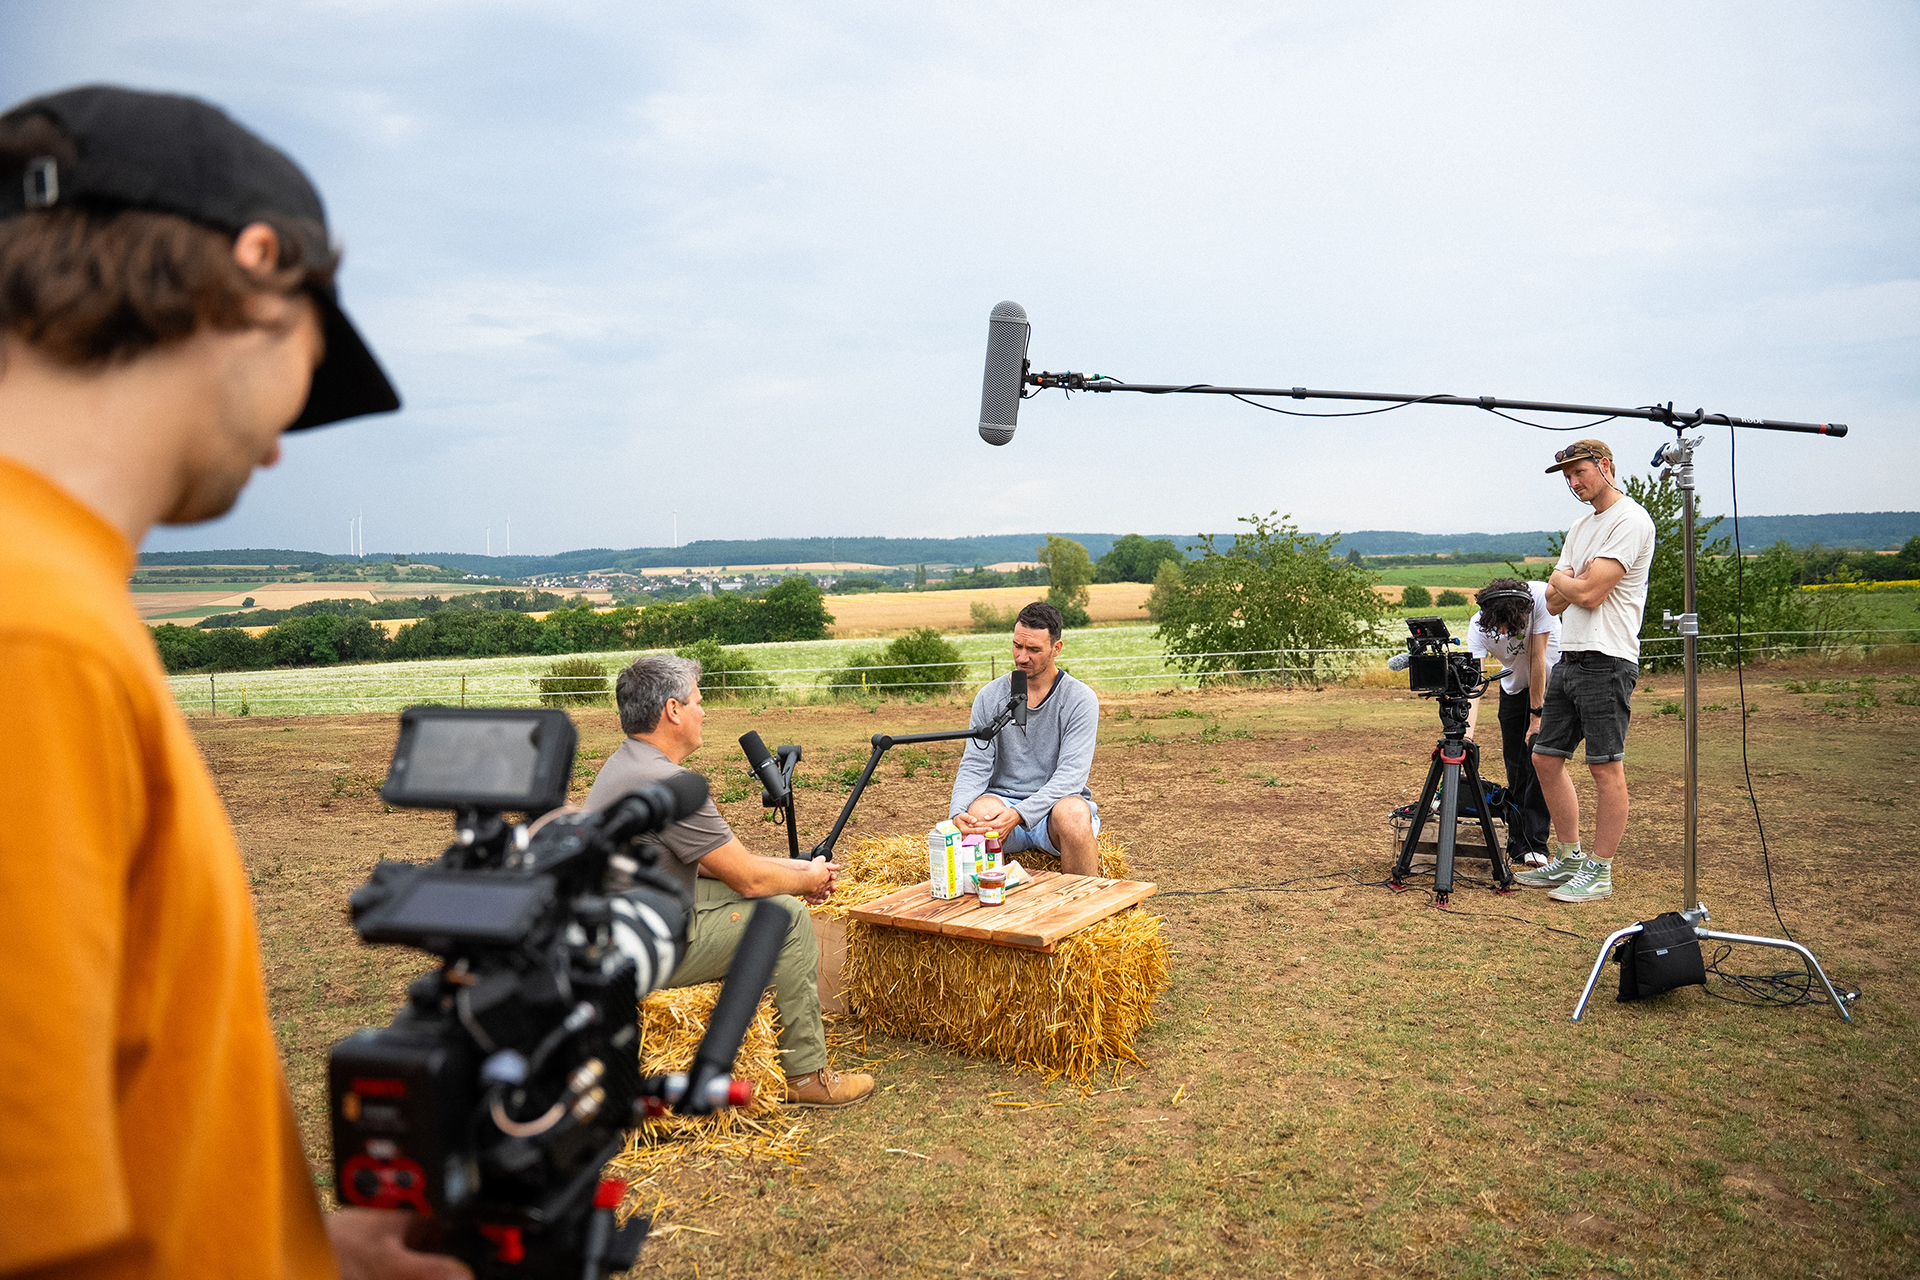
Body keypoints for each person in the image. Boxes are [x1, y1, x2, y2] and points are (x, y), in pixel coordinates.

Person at [0, 88, 466, 1277]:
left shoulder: (55, 596)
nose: (289, 431)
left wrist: (291, 1245)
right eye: (320, 359)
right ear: (260, 272)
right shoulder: (36, 636)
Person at [583, 655, 876, 1109]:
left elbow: (717, 864)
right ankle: (806, 1074)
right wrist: (807, 881)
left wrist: (800, 871)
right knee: (787, 914)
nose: (705, 712)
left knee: (782, 892)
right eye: (699, 702)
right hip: (643, 949)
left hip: (618, 925)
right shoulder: (671, 784)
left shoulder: (627, 765)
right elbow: (751, 881)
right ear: (673, 711)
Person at [1517, 439, 1657, 903]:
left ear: (1606, 466)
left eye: (1580, 472)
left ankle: (1600, 871)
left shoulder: (1631, 520)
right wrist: (1569, 581)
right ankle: (1571, 856)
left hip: (1608, 658)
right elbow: (1556, 601)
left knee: (1605, 768)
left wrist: (1564, 577)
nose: (1574, 483)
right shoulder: (1581, 525)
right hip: (1571, 656)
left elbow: (1588, 594)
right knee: (1545, 756)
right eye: (1567, 477)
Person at [951, 601, 1101, 876]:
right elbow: (975, 764)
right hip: (1002, 803)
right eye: (1017, 646)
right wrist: (957, 813)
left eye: (1033, 649)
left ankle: (1084, 911)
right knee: (980, 811)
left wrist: (1021, 815)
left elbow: (1071, 776)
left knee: (1075, 816)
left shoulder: (1080, 699)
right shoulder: (990, 696)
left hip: (1055, 809)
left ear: (1056, 648)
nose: (1022, 657)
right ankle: (990, 914)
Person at [1463, 577, 1562, 867]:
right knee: (1516, 766)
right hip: (1513, 689)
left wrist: (1537, 716)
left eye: (1508, 625)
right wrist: (1467, 737)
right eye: (1498, 626)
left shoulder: (1540, 598)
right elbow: (1474, 683)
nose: (1503, 632)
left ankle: (1536, 845)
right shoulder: (1477, 625)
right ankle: (1518, 843)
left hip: (1551, 687)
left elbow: (1536, 657)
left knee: (1540, 763)